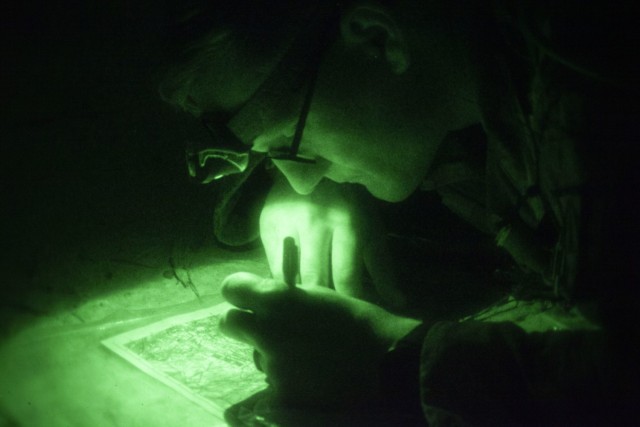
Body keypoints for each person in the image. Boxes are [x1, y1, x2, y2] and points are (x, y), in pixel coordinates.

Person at [158, 0, 638, 424]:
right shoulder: (472, 88)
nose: (301, 181)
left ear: (378, 39)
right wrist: (332, 179)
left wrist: (391, 352)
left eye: (288, 143)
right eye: (271, 156)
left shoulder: (593, 82)